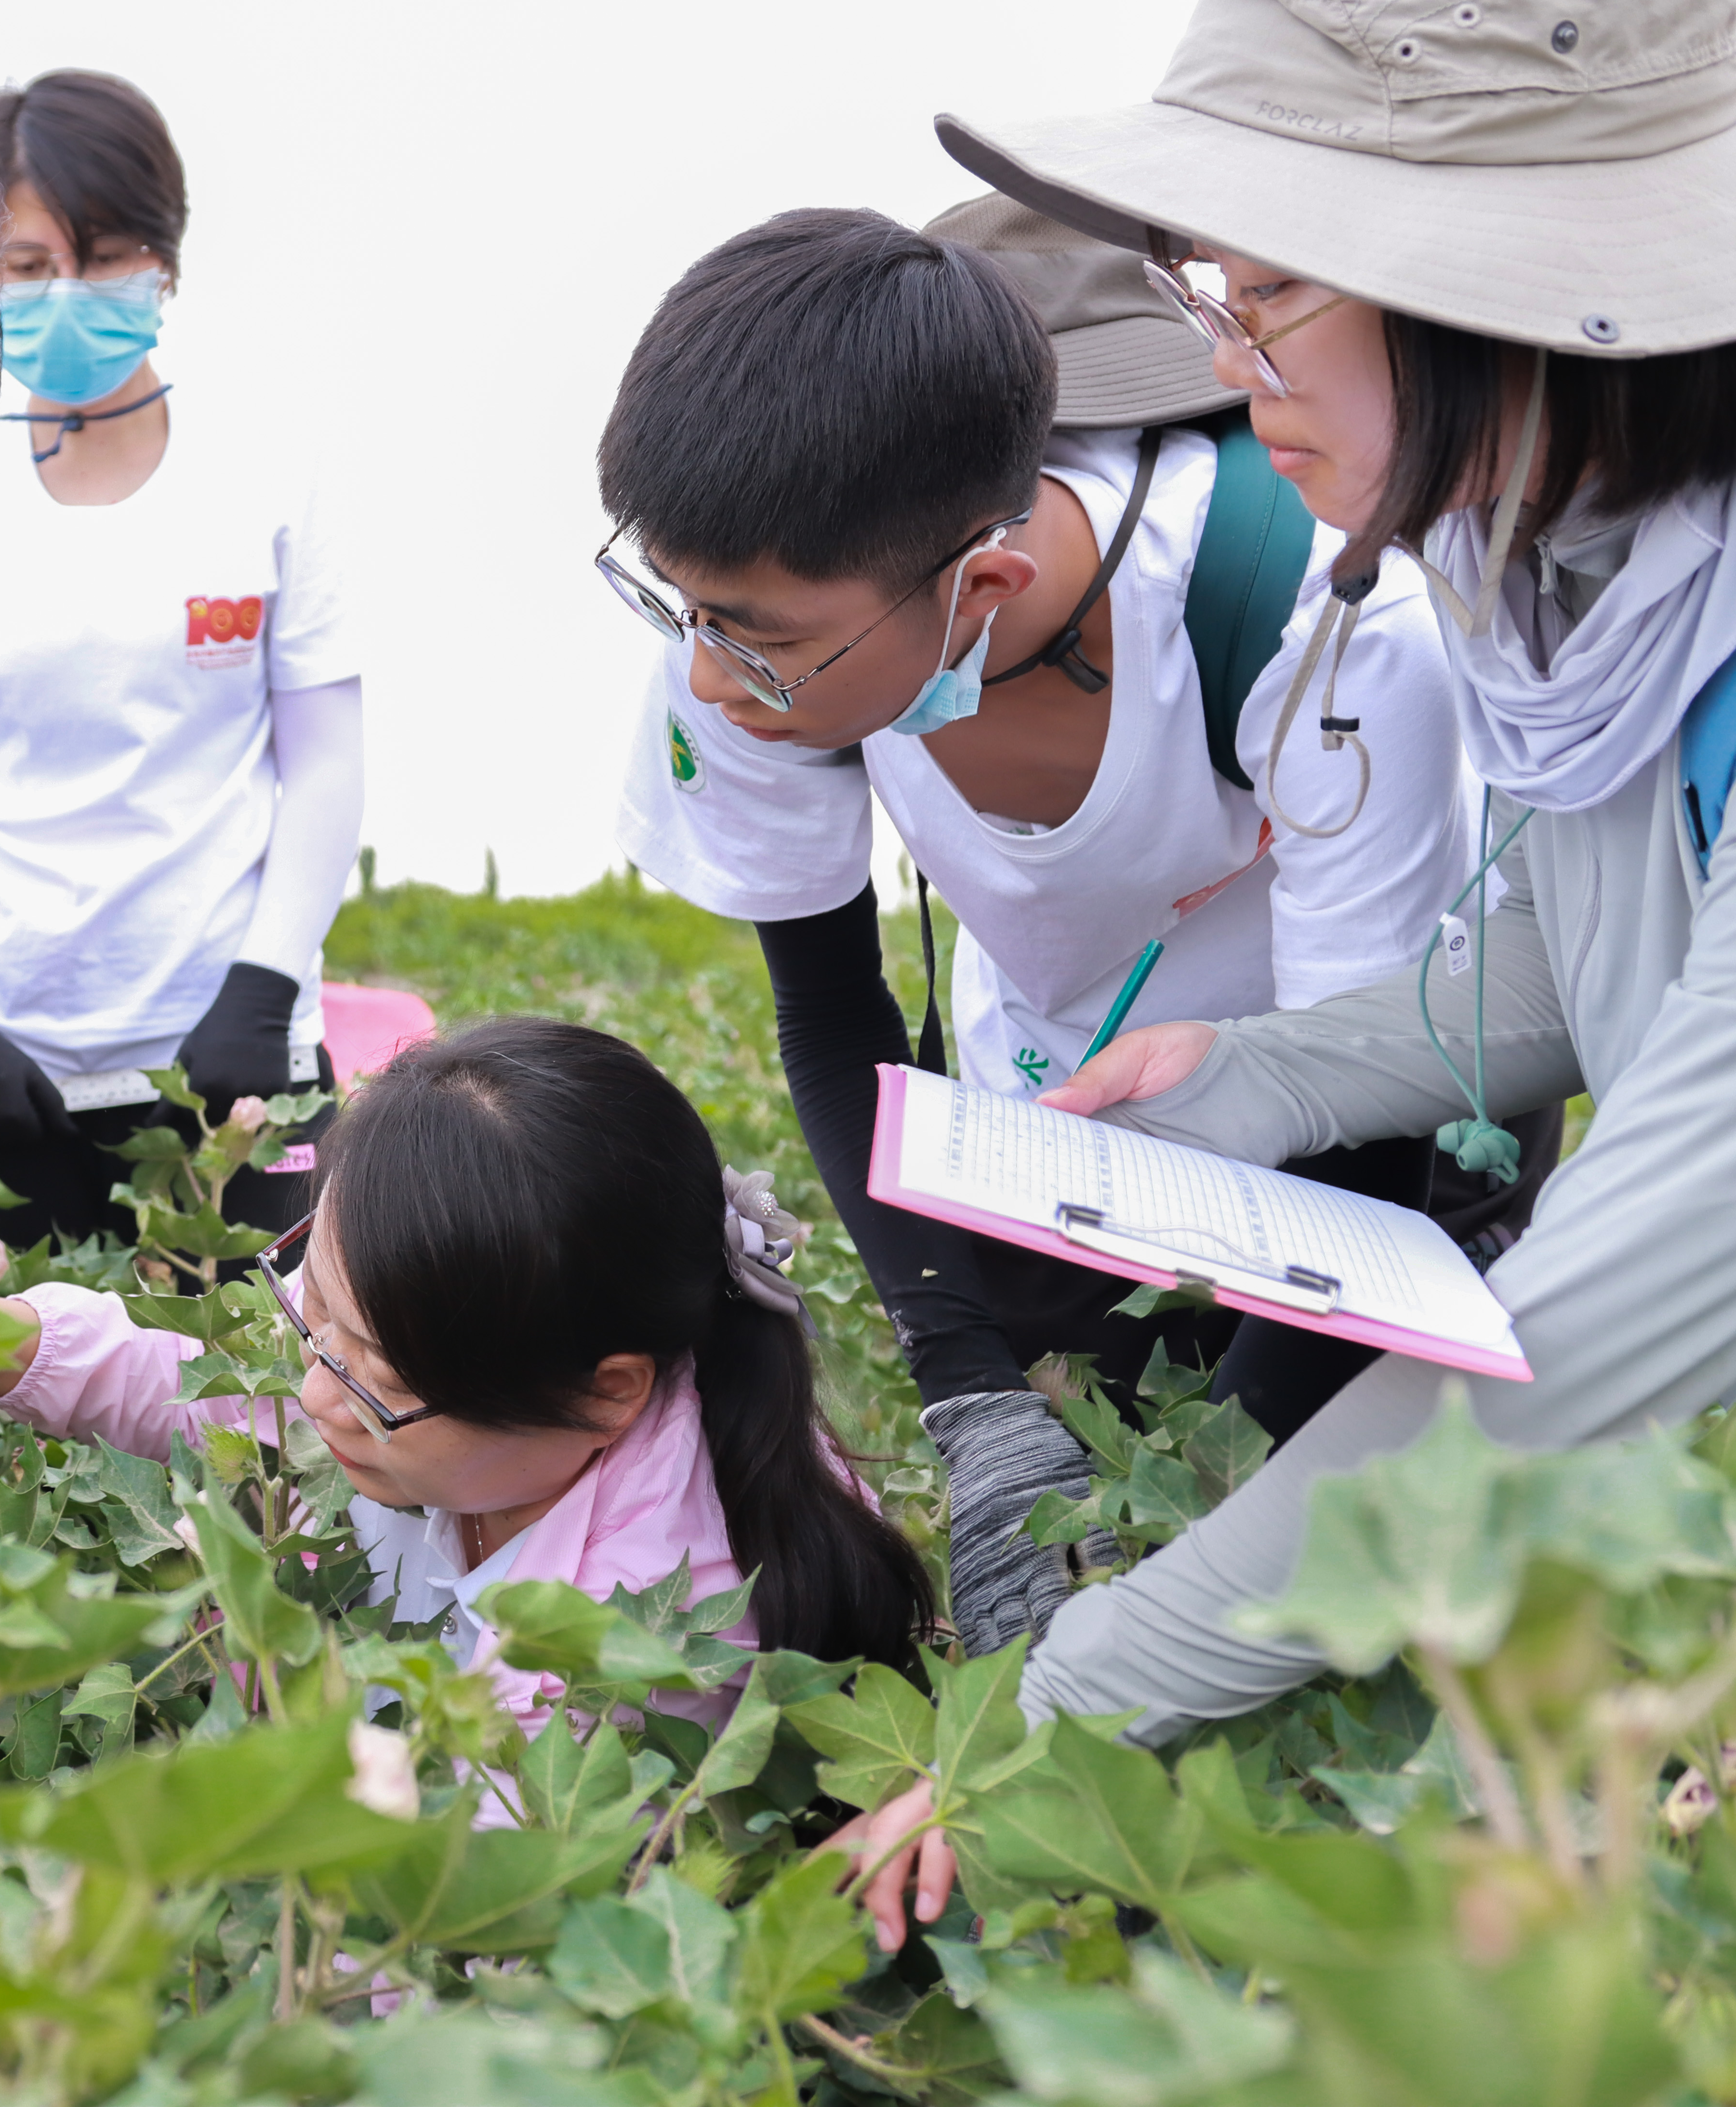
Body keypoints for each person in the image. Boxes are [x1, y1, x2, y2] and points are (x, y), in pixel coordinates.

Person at [833, 0, 1736, 1947]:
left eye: (1269, 300)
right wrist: (1245, 1084)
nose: (1236, 377)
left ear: (1512, 282)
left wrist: (1076, 1690)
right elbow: (1591, 948)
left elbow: (1570, 1352)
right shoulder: (1597, 562)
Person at [601, 197, 1494, 1653]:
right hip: (1061, 1134)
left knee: (1325, 1596)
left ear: (985, 590)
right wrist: (970, 1398)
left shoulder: (1322, 635)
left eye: (747, 639)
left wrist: (1205, 1502)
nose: (709, 682)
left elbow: (1372, 1113)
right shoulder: (770, 616)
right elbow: (835, 1021)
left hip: (1371, 1135)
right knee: (1045, 1506)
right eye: (686, 617)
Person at [0, 1018, 933, 1732]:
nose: (315, 1394)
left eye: (370, 1377)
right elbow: (201, 1382)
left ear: (607, 1391)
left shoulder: (625, 1645)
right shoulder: (469, 1394)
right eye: (316, 1319)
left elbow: (456, 1920)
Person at [0, 67, 363, 1252]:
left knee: (251, 1406)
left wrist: (265, 987)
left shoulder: (266, 474)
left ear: (166, 265)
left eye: (109, 255)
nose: (67, 294)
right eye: (26, 267)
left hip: (225, 1053)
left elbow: (326, 762)